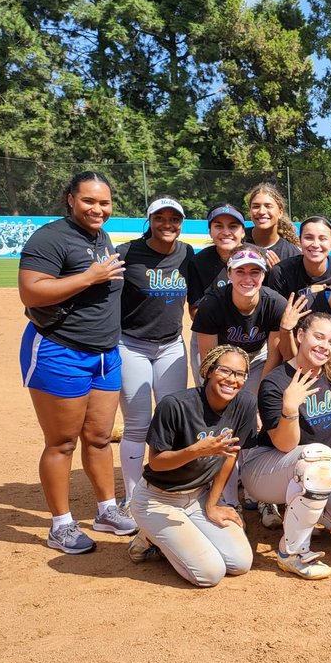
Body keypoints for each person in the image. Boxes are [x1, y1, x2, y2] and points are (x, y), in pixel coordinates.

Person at [18, 171, 137, 554]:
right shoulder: (50, 237)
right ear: (70, 199)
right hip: (60, 349)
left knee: (100, 438)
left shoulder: (101, 238)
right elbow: (31, 291)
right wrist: (89, 276)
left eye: (104, 202)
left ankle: (105, 510)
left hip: (105, 354)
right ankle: (60, 525)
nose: (97, 209)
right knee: (62, 442)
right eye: (89, 201)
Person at [240, 313, 331, 579]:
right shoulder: (276, 383)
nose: (325, 346)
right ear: (301, 336)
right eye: (318, 337)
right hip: (265, 469)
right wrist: (290, 407)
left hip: (317, 466)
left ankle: (310, 514)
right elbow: (284, 443)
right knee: (320, 454)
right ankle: (292, 552)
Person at [128, 346, 257, 587]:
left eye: (240, 374)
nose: (232, 379)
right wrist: (197, 450)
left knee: (240, 563)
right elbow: (156, 463)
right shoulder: (174, 405)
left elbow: (230, 456)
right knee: (210, 574)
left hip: (198, 496)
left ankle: (169, 537)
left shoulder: (245, 403)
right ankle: (151, 537)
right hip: (158, 499)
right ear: (208, 371)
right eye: (225, 370)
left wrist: (212, 504)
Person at [117, 196, 194, 505]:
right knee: (137, 423)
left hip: (171, 346)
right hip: (131, 345)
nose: (167, 224)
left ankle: (166, 488)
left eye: (173, 219)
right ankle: (133, 496)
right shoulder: (126, 252)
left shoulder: (187, 254)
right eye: (159, 218)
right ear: (149, 220)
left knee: (173, 420)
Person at [191, 248, 287, 396]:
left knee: (253, 400)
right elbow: (209, 359)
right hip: (218, 352)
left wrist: (260, 396)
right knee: (215, 396)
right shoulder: (211, 304)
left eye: (255, 272)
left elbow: (274, 357)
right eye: (240, 271)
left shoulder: (275, 304)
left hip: (257, 353)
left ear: (263, 275)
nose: (248, 279)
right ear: (229, 274)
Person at [187, 204, 247, 384]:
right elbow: (194, 310)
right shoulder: (199, 262)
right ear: (210, 231)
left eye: (233, 226)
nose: (226, 231)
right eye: (218, 226)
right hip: (209, 337)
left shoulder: (256, 257)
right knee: (209, 392)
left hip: (248, 337)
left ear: (243, 232)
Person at [266, 215, 331, 301]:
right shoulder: (281, 273)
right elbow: (277, 313)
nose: (315, 244)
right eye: (309, 238)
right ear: (300, 241)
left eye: (322, 239)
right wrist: (306, 294)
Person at [245, 181, 301, 263]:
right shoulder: (238, 240)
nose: (261, 211)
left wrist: (277, 273)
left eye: (268, 206)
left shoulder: (291, 254)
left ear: (280, 212)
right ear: (250, 211)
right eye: (256, 206)